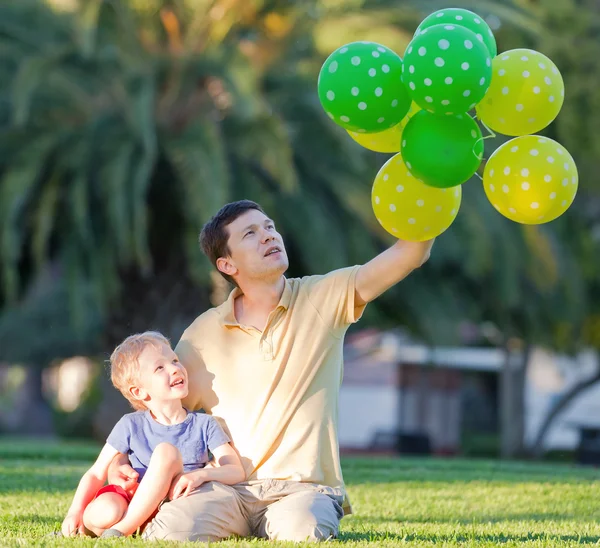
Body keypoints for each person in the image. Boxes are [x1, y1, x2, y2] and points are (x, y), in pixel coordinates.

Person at [109, 200, 433, 542]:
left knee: (302, 533)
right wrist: (120, 462)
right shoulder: (201, 335)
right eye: (251, 233)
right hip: (226, 488)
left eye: (269, 227)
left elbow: (410, 254)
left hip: (302, 490)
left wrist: (432, 192)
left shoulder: (323, 297)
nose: (268, 236)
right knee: (168, 532)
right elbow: (159, 415)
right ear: (226, 263)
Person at [61, 331, 245, 538]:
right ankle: (92, 528)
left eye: (174, 361)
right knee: (106, 511)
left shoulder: (205, 424)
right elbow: (96, 473)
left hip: (172, 506)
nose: (174, 369)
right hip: (130, 499)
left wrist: (200, 475)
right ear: (139, 392)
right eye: (160, 367)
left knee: (166, 452)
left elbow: (235, 470)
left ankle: (121, 530)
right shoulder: (130, 424)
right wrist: (74, 512)